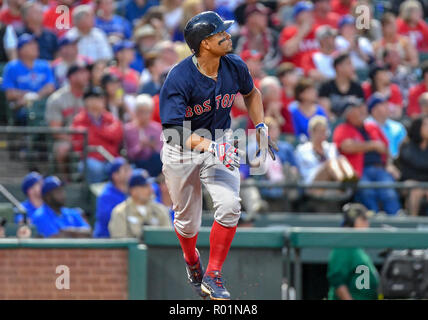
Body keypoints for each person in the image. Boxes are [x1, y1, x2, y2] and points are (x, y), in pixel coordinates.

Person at [159, 11, 278, 300]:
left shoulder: (234, 65)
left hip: (221, 140)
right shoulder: (179, 77)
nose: (228, 35)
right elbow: (174, 132)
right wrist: (210, 146)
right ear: (204, 44)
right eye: (219, 33)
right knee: (187, 223)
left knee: (230, 205)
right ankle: (192, 262)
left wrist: (260, 124)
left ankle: (213, 274)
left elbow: (252, 94)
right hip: (182, 147)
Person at [332, 98, 402, 215]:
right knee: (367, 193)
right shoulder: (342, 128)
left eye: (361, 108)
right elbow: (346, 146)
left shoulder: (372, 127)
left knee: (389, 193)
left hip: (380, 168)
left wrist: (389, 165)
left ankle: (396, 223)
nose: (361, 111)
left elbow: (385, 147)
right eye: (356, 109)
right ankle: (372, 222)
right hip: (359, 170)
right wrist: (372, 145)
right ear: (348, 114)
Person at [46, 62, 90, 180]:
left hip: (90, 136)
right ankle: (66, 180)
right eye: (82, 73)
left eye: (86, 72)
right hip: (67, 138)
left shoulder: (91, 95)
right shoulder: (57, 99)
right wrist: (74, 139)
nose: (86, 75)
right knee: (62, 149)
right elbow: (55, 130)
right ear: (71, 77)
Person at [71, 86, 124, 183]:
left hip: (110, 157)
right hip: (91, 159)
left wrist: (97, 131)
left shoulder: (109, 117)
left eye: (100, 98)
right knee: (94, 168)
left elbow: (117, 134)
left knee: (123, 167)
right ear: (86, 101)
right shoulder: (79, 119)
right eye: (93, 98)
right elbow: (86, 139)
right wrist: (105, 135)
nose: (97, 101)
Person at [327, 203, 379, 300]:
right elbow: (337, 280)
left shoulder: (357, 247)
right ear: (352, 222)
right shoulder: (344, 246)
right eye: (363, 220)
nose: (367, 224)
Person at [2, 33, 55, 126]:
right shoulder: (12, 67)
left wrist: (36, 96)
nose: (35, 46)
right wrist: (27, 95)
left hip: (43, 104)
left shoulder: (44, 65)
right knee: (25, 114)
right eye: (30, 44)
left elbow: (50, 87)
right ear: (21, 50)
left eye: (35, 43)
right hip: (22, 106)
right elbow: (9, 94)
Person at [295, 116, 357, 190]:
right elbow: (301, 170)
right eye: (319, 131)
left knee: (341, 158)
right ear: (311, 132)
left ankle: (351, 178)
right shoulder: (302, 149)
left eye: (324, 131)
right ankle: (342, 182)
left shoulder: (330, 147)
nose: (322, 134)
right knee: (330, 163)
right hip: (311, 181)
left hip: (330, 178)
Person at [109, 169, 171, 238]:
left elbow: (168, 237)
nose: (151, 190)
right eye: (145, 186)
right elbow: (119, 242)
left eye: (150, 185)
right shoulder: (121, 212)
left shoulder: (160, 210)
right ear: (133, 191)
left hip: (158, 248)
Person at [232, 3, 280, 72]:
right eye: (261, 15)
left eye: (265, 15)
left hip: (266, 72)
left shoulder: (273, 36)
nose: (265, 18)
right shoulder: (237, 37)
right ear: (250, 18)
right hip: (242, 72)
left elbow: (276, 58)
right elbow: (233, 59)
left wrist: (259, 68)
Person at [124, 94, 163, 177]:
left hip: (154, 163)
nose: (144, 115)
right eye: (141, 111)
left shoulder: (157, 128)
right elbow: (130, 155)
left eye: (147, 112)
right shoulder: (129, 129)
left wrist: (153, 146)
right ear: (136, 112)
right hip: (137, 163)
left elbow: (161, 152)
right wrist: (141, 147)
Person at [318, 53, 365, 120]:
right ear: (339, 67)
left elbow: (363, 109)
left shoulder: (357, 87)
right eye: (349, 64)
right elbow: (324, 110)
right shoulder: (326, 87)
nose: (353, 67)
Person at [93, 157, 132, 237]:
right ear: (115, 176)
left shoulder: (131, 191)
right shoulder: (106, 195)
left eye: (129, 169)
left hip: (125, 237)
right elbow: (108, 219)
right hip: (106, 240)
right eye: (125, 170)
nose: (130, 172)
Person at [397, 115, 428, 216]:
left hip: (426, 183)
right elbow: (418, 164)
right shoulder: (406, 145)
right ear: (418, 127)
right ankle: (412, 223)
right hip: (409, 182)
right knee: (416, 189)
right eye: (426, 125)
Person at [279, 1, 319, 71]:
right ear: (297, 15)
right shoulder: (289, 31)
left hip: (316, 71)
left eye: (311, 12)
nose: (310, 14)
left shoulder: (317, 30)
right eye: (306, 12)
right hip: (296, 71)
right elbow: (288, 52)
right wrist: (302, 32)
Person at [365, 94, 407, 159]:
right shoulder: (365, 125)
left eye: (386, 103)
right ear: (373, 109)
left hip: (399, 162)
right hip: (377, 161)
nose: (387, 106)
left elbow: (405, 146)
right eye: (382, 104)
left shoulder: (397, 126)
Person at [289, 77, 328, 141]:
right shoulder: (293, 111)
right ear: (300, 94)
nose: (314, 93)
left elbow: (325, 130)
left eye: (314, 90)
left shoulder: (320, 110)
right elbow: (294, 134)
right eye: (310, 91)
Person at [277, 62, 298, 134]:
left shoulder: (301, 95)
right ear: (282, 78)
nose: (295, 76)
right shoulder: (277, 94)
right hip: (281, 130)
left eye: (294, 73)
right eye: (291, 74)